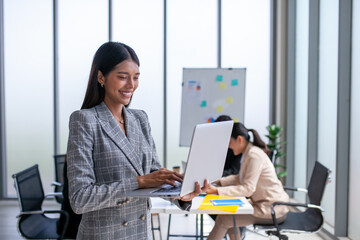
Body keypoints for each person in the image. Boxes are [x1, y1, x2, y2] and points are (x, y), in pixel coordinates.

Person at [66, 41, 209, 240]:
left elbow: (153, 175)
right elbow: (80, 199)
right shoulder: (84, 120)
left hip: (139, 233)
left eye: (136, 77)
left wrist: (180, 194)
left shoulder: (140, 118)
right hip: (104, 234)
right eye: (123, 77)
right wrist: (138, 182)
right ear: (101, 77)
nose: (131, 85)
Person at [205, 122, 289, 240]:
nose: (229, 146)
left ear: (239, 139)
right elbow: (239, 178)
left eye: (229, 142)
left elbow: (248, 188)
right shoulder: (248, 152)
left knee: (224, 219)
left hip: (271, 209)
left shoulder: (254, 155)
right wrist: (217, 181)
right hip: (264, 204)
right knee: (226, 213)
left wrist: (217, 190)